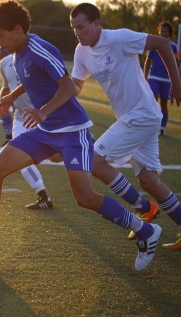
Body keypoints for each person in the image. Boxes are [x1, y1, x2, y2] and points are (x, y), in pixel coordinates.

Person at [0, 0, 161, 272]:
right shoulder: (18, 51)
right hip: (44, 132)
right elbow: (32, 78)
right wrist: (10, 97)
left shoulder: (40, 49)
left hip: (72, 132)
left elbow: (69, 87)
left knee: (84, 198)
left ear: (18, 29)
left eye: (0, 35)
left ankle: (145, 231)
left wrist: (44, 111)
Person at [69, 3, 181, 250]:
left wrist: (176, 82)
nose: (77, 32)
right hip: (136, 118)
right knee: (148, 180)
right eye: (74, 28)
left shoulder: (119, 38)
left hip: (142, 115)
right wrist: (55, 92)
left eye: (81, 27)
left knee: (94, 159)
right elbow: (76, 85)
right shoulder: (81, 51)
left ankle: (144, 208)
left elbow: (162, 44)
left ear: (97, 24)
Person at [0, 54, 53, 209]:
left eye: (1, 35)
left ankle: (85, 140)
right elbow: (6, 86)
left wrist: (46, 111)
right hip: (21, 118)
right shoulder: (5, 62)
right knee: (20, 158)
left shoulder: (37, 56)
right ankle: (43, 196)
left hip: (45, 117)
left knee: (57, 157)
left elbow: (58, 85)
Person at [143, 21, 181, 136]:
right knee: (153, 101)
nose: (163, 33)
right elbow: (148, 60)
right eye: (161, 31)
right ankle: (151, 126)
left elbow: (177, 63)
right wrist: (145, 75)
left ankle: (162, 128)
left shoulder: (174, 47)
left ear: (169, 33)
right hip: (154, 77)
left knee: (164, 104)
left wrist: (177, 79)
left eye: (166, 31)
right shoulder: (154, 45)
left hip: (167, 80)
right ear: (158, 32)